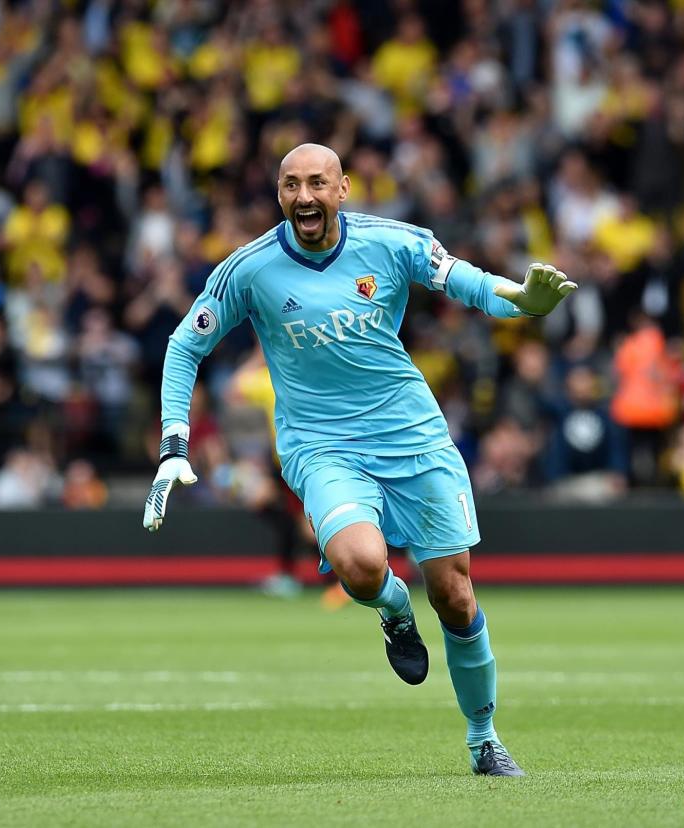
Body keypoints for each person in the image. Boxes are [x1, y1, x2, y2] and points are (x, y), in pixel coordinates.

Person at [142, 144, 577, 777]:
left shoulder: (394, 243)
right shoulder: (251, 269)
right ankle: (394, 613)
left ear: (344, 188)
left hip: (412, 435)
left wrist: (523, 302)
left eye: (318, 183)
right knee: (361, 566)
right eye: (291, 185)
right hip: (321, 447)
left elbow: (466, 281)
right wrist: (174, 441)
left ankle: (483, 737)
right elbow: (185, 345)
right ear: (280, 194)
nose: (305, 196)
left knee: (454, 595)